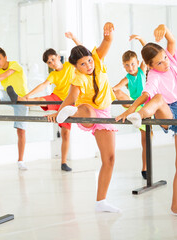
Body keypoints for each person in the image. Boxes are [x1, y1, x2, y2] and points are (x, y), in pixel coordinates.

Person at [116, 24, 177, 219]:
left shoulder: (172, 62)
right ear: (150, 66)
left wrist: (165, 28)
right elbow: (146, 94)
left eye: (165, 58)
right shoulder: (153, 76)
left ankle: (176, 207)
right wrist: (133, 109)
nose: (165, 64)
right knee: (157, 97)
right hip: (166, 112)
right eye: (159, 63)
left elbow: (172, 41)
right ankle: (139, 117)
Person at [47, 22, 121, 213]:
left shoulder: (97, 61)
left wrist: (108, 31)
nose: (88, 65)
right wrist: (59, 112)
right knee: (84, 110)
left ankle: (101, 202)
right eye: (82, 64)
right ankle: (73, 113)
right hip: (87, 112)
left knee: (110, 159)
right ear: (75, 67)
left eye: (89, 61)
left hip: (105, 113)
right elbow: (70, 98)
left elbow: (107, 41)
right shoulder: (78, 78)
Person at [6, 32, 81, 172]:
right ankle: (20, 99)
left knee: (65, 133)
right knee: (39, 99)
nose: (52, 63)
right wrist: (27, 95)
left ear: (59, 57)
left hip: (70, 101)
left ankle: (63, 163)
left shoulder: (71, 66)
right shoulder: (53, 74)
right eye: (49, 62)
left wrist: (73, 38)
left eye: (53, 59)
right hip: (57, 98)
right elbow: (43, 86)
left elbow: (83, 52)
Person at [112, 34, 149, 179]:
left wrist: (140, 39)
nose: (130, 67)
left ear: (137, 62)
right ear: (123, 65)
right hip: (134, 105)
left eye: (132, 64)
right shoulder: (126, 78)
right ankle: (132, 113)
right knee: (118, 92)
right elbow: (115, 89)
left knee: (145, 140)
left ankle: (145, 168)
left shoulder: (141, 71)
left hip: (145, 104)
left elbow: (148, 51)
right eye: (127, 65)